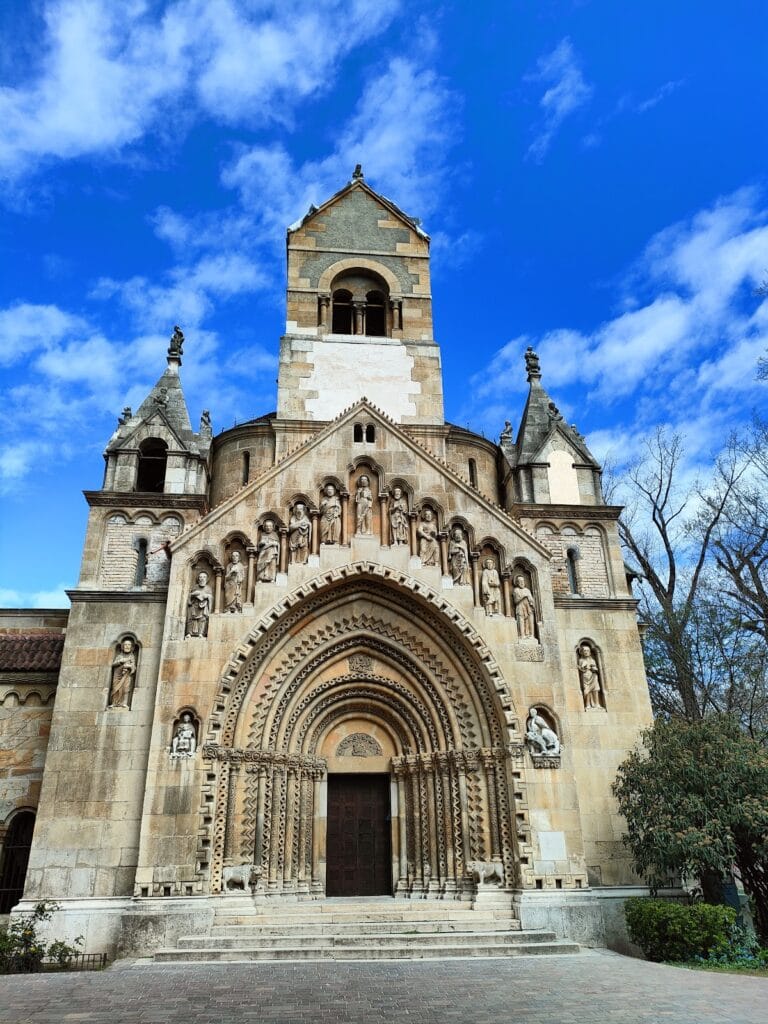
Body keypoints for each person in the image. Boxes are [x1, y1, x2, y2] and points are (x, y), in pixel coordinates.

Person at [109, 637, 137, 707]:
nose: (127, 646)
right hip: (117, 675)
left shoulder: (131, 656)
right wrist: (120, 661)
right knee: (116, 688)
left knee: (125, 688)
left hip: (126, 675)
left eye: (129, 645)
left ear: (131, 647)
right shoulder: (119, 656)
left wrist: (129, 666)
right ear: (122, 646)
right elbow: (113, 664)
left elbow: (134, 667)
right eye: (125, 645)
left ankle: (124, 703)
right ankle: (114, 703)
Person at [185, 571, 213, 638]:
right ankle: (189, 633)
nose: (202, 579)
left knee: (202, 619)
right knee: (191, 618)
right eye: (200, 577)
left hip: (203, 606)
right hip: (194, 605)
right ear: (198, 579)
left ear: (206, 579)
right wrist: (193, 594)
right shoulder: (195, 587)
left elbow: (211, 597)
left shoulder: (208, 588)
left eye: (204, 577)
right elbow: (190, 596)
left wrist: (207, 596)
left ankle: (201, 633)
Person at [578, 643, 601, 709]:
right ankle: (587, 704)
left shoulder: (592, 660)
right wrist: (583, 668)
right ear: (582, 652)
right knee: (587, 690)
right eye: (584, 650)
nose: (586, 652)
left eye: (587, 650)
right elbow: (581, 669)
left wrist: (594, 668)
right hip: (585, 676)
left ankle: (597, 703)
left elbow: (596, 669)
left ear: (590, 652)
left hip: (593, 676)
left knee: (595, 689)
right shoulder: (581, 660)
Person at [512, 573, 536, 638]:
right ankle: (522, 635)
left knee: (530, 620)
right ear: (517, 583)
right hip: (520, 607)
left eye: (523, 581)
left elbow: (531, 599)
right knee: (521, 620)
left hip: (528, 607)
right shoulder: (516, 590)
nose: (522, 583)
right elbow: (516, 601)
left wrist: (531, 601)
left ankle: (531, 635)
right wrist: (523, 596)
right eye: (520, 581)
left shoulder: (527, 590)